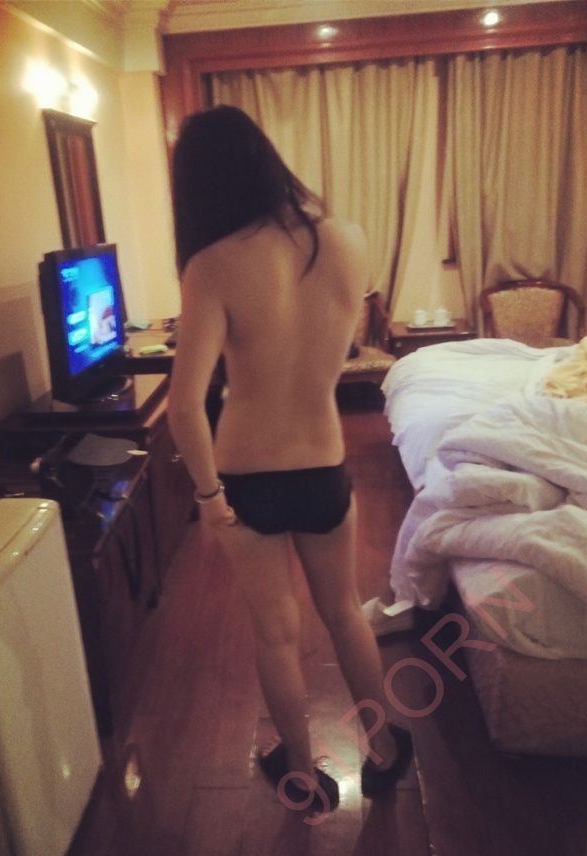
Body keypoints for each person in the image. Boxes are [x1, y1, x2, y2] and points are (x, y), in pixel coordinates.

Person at [167, 105, 411, 813]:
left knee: (275, 634)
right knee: (345, 612)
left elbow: (184, 406)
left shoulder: (212, 264)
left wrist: (209, 498)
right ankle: (384, 750)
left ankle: (303, 776)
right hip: (323, 463)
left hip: (247, 476)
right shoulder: (346, 239)